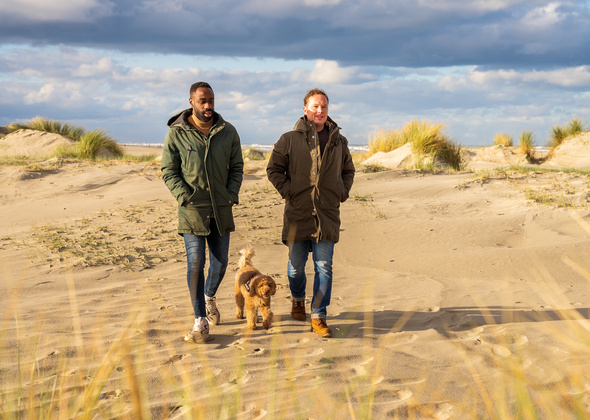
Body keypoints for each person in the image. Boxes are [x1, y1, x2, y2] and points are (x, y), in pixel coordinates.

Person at [266, 88, 355, 338]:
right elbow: (273, 169)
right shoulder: (289, 139)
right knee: (295, 268)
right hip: (298, 214)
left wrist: (341, 192)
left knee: (324, 267)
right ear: (305, 109)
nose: (320, 111)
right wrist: (289, 191)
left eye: (324, 107)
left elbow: (349, 171)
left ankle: (318, 316)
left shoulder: (339, 140)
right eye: (315, 106)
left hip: (327, 214)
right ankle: (297, 299)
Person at [161, 82, 244, 343]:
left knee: (220, 265)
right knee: (196, 263)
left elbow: (237, 167)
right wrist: (184, 196)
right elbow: (169, 170)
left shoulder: (228, 132)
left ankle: (209, 296)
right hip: (192, 210)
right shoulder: (177, 133)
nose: (208, 106)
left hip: (220, 209)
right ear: (191, 102)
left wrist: (230, 194)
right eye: (202, 101)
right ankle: (200, 319)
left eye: (211, 101)